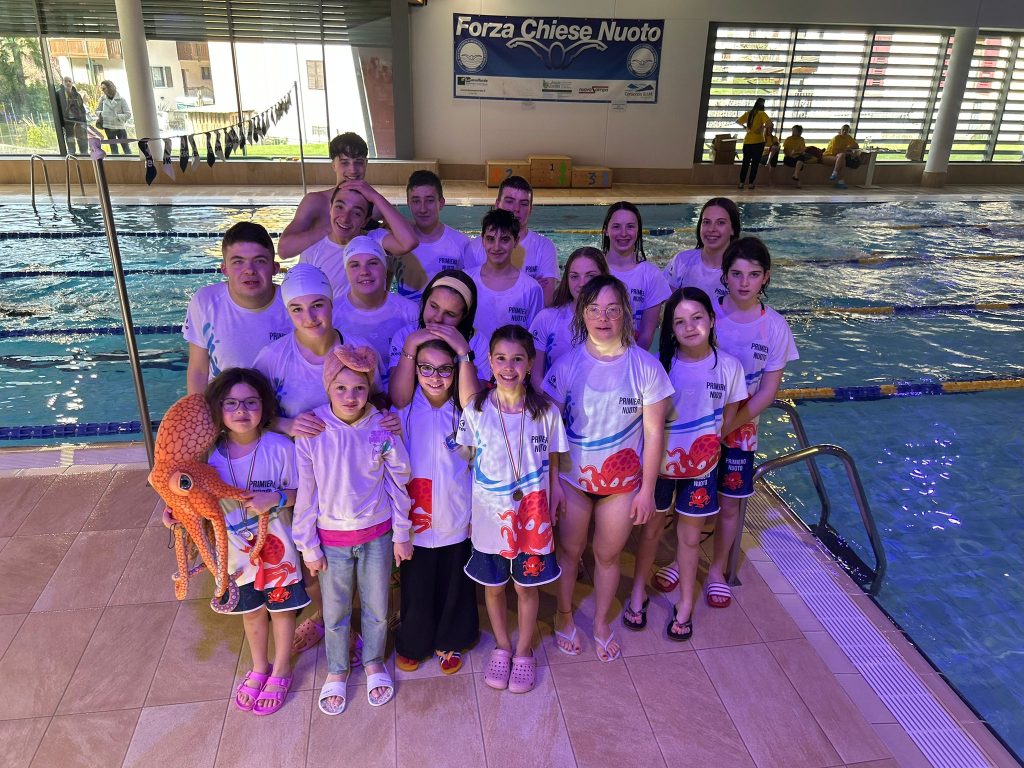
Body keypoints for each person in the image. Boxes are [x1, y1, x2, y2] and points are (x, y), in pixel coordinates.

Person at [543, 276, 672, 661]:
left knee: (608, 556)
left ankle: (600, 622)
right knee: (569, 553)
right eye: (595, 309)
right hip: (572, 479)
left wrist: (647, 490)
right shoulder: (567, 366)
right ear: (583, 314)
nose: (603, 318)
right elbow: (550, 430)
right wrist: (553, 484)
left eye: (612, 310)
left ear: (626, 315)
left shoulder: (646, 368)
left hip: (623, 484)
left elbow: (654, 434)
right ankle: (564, 615)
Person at [292, 346, 412, 715]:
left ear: (369, 388)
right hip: (331, 541)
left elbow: (398, 480)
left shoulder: (380, 426)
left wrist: (402, 532)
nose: (350, 396)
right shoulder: (313, 430)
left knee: (377, 607)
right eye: (341, 388)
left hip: (377, 535)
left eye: (359, 388)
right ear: (327, 387)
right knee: (335, 612)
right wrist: (307, 544)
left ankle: (373, 661)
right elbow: (307, 491)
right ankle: (338, 669)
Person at [623, 289, 745, 642]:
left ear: (712, 320)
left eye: (697, 318)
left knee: (690, 540)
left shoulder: (729, 367)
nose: (689, 327)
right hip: (659, 467)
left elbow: (728, 418)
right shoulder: (660, 366)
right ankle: (638, 592)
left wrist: (706, 447)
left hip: (701, 471)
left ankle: (686, 603)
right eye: (679, 322)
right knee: (650, 532)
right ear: (671, 329)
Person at [458, 325, 568, 693]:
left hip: (533, 515)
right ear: (489, 362)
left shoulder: (546, 412)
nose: (509, 367)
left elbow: (554, 459)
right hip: (490, 514)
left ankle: (523, 651)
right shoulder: (476, 410)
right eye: (501, 359)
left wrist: (557, 492)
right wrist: (470, 512)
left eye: (517, 359)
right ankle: (503, 646)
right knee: (493, 586)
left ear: (530, 363)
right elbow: (467, 461)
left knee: (525, 586)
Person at [204, 368, 308, 716]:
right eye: (231, 403)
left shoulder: (280, 448)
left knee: (282, 611)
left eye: (250, 402)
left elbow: (305, 493)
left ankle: (282, 669)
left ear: (264, 406)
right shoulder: (208, 456)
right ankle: (260, 666)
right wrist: (173, 513)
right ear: (218, 408)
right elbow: (189, 497)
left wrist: (275, 498)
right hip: (235, 556)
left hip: (279, 553)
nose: (241, 411)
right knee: (251, 613)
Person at [706, 237, 799, 608]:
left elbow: (767, 392)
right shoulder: (706, 314)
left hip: (740, 431)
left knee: (729, 503)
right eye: (737, 274)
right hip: (699, 423)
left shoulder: (774, 327)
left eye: (754, 274)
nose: (744, 282)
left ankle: (716, 570)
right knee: (690, 496)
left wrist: (726, 429)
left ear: (766, 277)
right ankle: (681, 561)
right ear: (725, 275)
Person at [393, 338, 478, 674]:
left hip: (456, 513)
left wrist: (476, 515)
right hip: (415, 518)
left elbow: (477, 465)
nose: (435, 377)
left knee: (454, 582)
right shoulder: (401, 414)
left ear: (455, 372)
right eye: (426, 368)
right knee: (416, 584)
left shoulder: (465, 414)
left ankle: (450, 639)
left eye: (444, 370)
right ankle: (414, 640)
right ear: (415, 370)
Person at [183, 222, 291, 394]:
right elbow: (198, 370)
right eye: (238, 262)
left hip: (280, 409)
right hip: (223, 406)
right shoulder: (205, 301)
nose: (250, 270)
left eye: (260, 261)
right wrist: (199, 409)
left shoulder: (293, 305)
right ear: (224, 269)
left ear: (275, 268)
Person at [297, 180, 417, 299]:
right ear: (330, 208)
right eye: (339, 207)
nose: (345, 218)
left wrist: (376, 197)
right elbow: (302, 295)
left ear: (365, 221)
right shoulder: (312, 249)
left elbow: (409, 242)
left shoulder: (374, 239)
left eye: (356, 213)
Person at [389, 269, 489, 408]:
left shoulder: (477, 341)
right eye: (434, 306)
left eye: (450, 314)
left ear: (463, 316)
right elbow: (399, 400)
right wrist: (411, 344)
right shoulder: (405, 335)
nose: (438, 318)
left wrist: (463, 351)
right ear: (425, 300)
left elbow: (471, 406)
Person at [330, 236, 418, 389]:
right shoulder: (332, 313)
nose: (364, 271)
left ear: (385, 269)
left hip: (401, 394)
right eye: (355, 265)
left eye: (373, 263)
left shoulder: (409, 311)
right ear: (346, 272)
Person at [463, 176, 559, 305]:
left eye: (524, 204)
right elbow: (467, 297)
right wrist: (528, 287)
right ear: (497, 204)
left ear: (531, 209)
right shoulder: (474, 247)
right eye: (509, 201)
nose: (516, 209)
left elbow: (546, 302)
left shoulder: (544, 247)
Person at [465, 209, 544, 363]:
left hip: (510, 371)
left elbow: (534, 342)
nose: (496, 247)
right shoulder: (466, 281)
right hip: (470, 369)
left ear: (516, 241)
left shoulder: (531, 289)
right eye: (490, 239)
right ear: (482, 240)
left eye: (504, 239)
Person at [280, 132, 374, 258]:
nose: (353, 170)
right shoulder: (315, 201)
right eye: (345, 162)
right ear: (334, 165)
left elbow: (399, 245)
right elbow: (284, 250)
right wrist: (335, 228)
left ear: (366, 164)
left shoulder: (375, 205)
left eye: (359, 162)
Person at [529, 246, 608, 381]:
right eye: (574, 276)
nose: (582, 283)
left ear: (604, 278)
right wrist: (551, 396)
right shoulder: (545, 319)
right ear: (567, 280)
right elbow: (536, 377)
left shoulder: (614, 322)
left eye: (590, 276)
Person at [600, 201, 671, 350]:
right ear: (606, 230)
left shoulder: (651, 275)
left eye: (630, 226)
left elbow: (646, 336)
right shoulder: (594, 270)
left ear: (638, 231)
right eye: (616, 226)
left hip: (634, 357)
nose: (623, 233)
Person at [395, 170, 471, 302]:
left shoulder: (461, 243)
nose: (423, 209)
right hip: (405, 315)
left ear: (441, 203)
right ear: (408, 203)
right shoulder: (396, 241)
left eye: (429, 201)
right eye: (416, 201)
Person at [662, 198, 742, 303]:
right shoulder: (682, 261)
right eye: (706, 222)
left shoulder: (743, 270)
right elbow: (668, 305)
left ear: (733, 229)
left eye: (720, 222)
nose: (711, 229)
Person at [736, 97, 772, 190]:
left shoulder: (748, 113)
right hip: (758, 142)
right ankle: (751, 183)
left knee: (745, 163)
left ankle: (741, 183)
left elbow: (738, 121)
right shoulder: (762, 113)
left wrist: (745, 128)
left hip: (747, 141)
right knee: (755, 164)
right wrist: (762, 128)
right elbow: (770, 123)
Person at [96, 80, 131, 155]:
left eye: (104, 88)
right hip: (108, 127)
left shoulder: (121, 100)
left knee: (126, 147)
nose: (102, 91)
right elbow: (97, 111)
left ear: (110, 87)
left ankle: (130, 161)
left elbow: (128, 114)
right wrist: (103, 114)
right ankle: (116, 162)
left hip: (120, 127)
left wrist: (116, 116)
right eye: (102, 89)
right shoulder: (103, 99)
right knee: (113, 149)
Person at [55, 75, 87, 154]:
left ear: (72, 83)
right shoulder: (59, 94)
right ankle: (72, 153)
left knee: (82, 137)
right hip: (67, 120)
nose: (68, 83)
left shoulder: (77, 94)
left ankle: (84, 153)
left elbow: (81, 107)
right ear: (62, 83)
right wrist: (60, 121)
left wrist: (84, 120)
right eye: (66, 81)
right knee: (70, 138)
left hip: (79, 119)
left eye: (69, 81)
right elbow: (57, 108)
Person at [825, 124, 860, 189]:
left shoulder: (848, 138)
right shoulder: (836, 138)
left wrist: (850, 147)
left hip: (838, 157)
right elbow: (836, 152)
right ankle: (836, 176)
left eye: (846, 130)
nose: (844, 131)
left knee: (842, 159)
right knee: (842, 156)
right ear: (840, 130)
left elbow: (856, 146)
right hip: (828, 156)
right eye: (843, 130)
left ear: (848, 131)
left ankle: (839, 181)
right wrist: (849, 153)